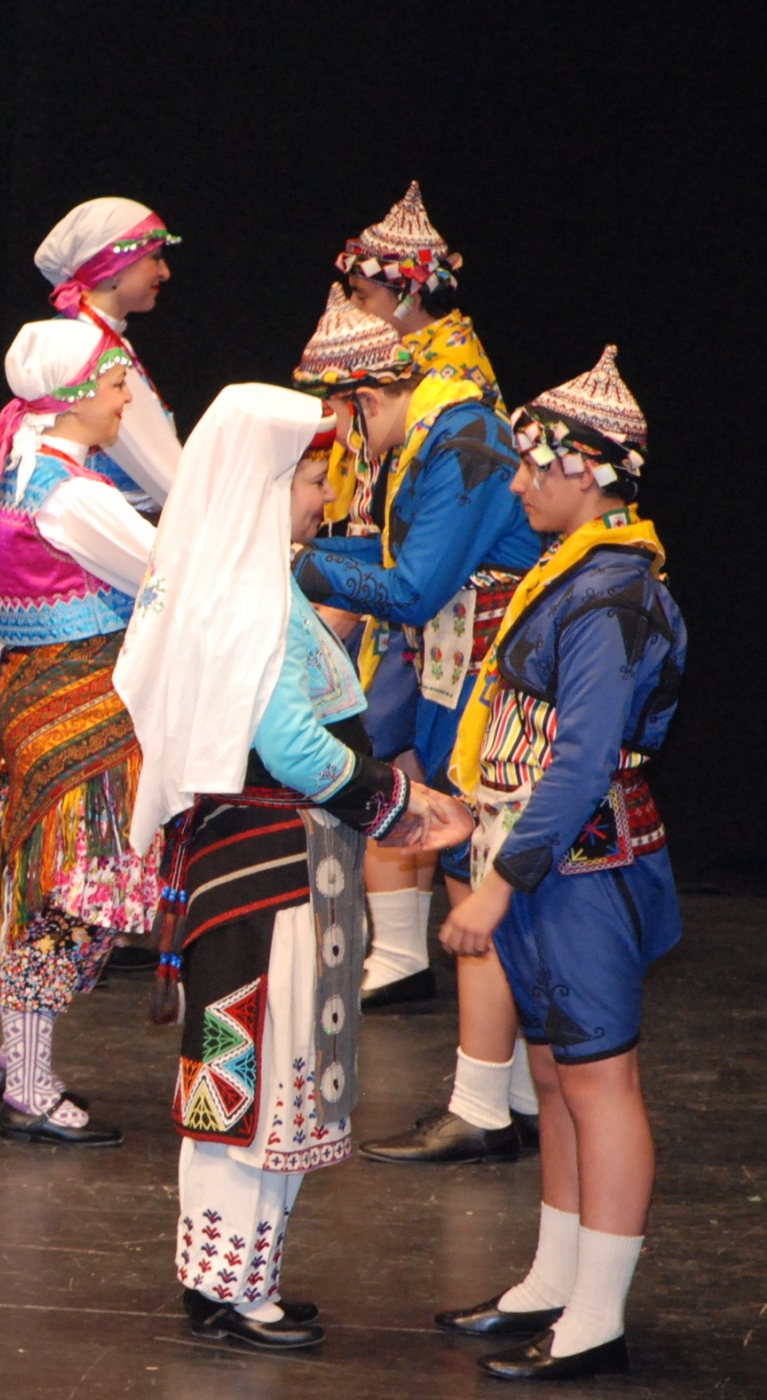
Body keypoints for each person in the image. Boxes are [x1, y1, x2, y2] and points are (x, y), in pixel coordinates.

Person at [117, 382, 474, 1350]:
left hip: (258, 864)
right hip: (271, 872)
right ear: (267, 484)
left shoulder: (234, 579)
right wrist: (403, 806)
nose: (325, 497)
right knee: (256, 1072)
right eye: (313, 479)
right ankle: (234, 1288)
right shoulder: (250, 596)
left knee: (238, 1071)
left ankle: (228, 1277)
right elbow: (295, 748)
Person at [432, 348, 680, 1382]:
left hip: (581, 869)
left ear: (589, 473)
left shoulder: (614, 593)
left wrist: (496, 884)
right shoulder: (574, 573)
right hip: (546, 860)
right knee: (553, 1071)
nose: (520, 484)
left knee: (599, 1078)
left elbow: (579, 760)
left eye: (536, 466)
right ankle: (554, 1276)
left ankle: (598, 1316)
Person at [291, 283, 546, 1167]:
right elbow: (394, 558)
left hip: (492, 682)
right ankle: (510, 1096)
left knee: (477, 879)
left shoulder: (464, 439)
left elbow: (410, 587)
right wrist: (296, 555)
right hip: (459, 672)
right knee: (472, 874)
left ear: (364, 400)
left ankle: (484, 1104)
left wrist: (298, 563)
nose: (339, 447)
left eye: (336, 423)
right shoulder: (437, 433)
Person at [0, 318, 158, 1148]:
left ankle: (19, 1057)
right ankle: (29, 1085)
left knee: (58, 892)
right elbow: (166, 575)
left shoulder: (6, 476)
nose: (124, 400)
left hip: (31, 698)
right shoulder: (73, 496)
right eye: (115, 385)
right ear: (75, 396)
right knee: (74, 897)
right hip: (82, 711)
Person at [34, 196, 184, 517]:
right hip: (112, 526)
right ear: (116, 268)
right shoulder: (86, 352)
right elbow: (161, 472)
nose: (165, 272)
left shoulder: (105, 340)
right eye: (155, 258)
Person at [337, 181, 498, 409]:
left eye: (362, 297)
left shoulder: (450, 370)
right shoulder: (406, 346)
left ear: (412, 299)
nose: (352, 305)